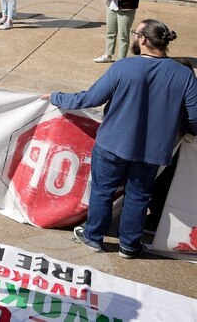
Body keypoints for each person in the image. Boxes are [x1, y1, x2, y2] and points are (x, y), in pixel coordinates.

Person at [48, 19, 197, 258]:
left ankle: (93, 237)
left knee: (103, 191)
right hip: (153, 150)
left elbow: (90, 99)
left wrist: (57, 97)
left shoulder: (123, 67)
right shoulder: (184, 75)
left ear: (143, 40)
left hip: (113, 143)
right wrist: (183, 129)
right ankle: (129, 245)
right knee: (138, 196)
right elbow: (195, 117)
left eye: (136, 33)